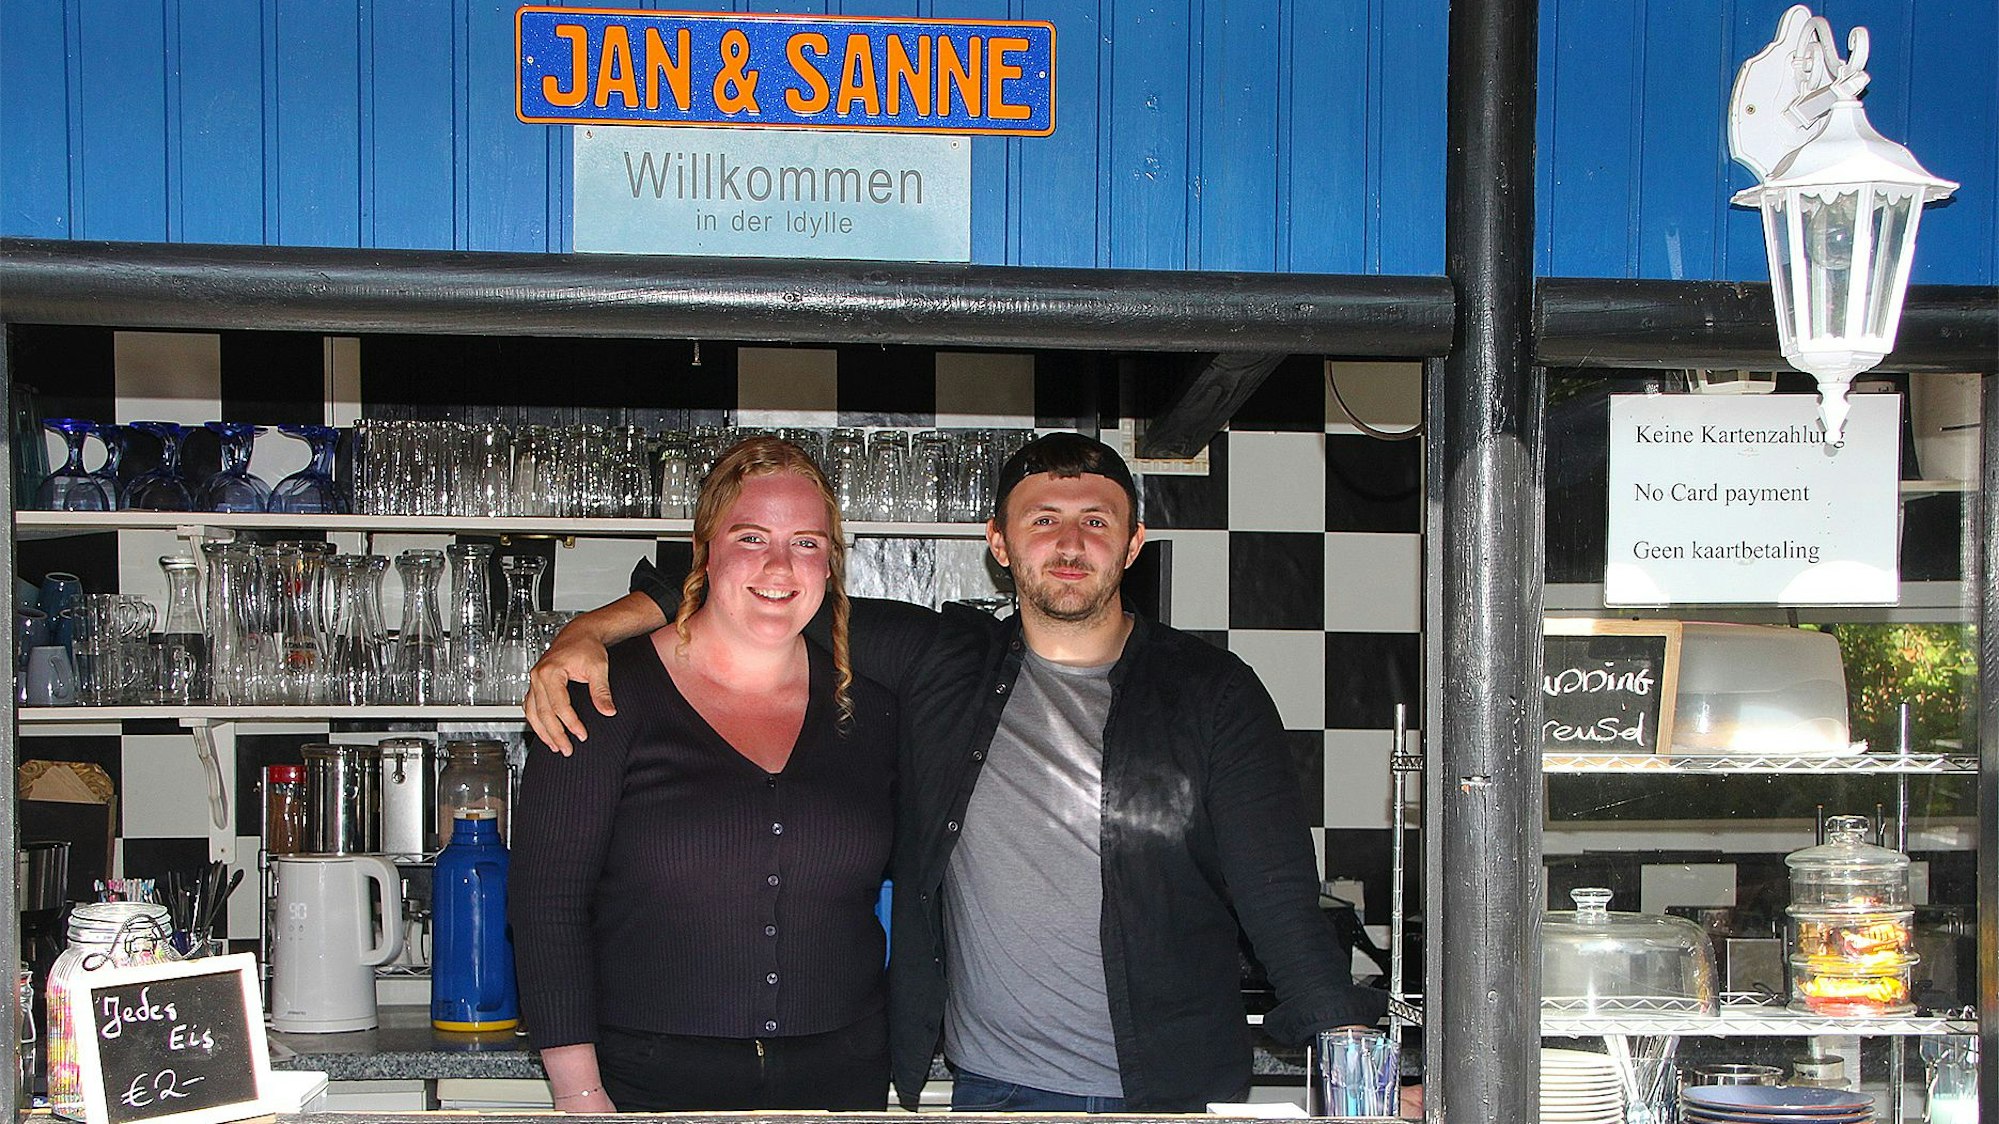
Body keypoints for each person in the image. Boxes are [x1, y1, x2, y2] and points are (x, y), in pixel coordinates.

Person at [526, 432, 1396, 1113]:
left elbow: (1279, 899)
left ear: (1134, 543)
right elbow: (750, 581)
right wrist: (586, 633)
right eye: (1041, 520)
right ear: (998, 544)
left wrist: (1361, 1071)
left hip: (1168, 1089)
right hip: (994, 1091)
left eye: (1095, 521)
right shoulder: (942, 661)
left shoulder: (1211, 693)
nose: (1068, 542)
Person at [508, 437, 897, 1113]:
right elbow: (546, 904)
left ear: (831, 563)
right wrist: (578, 1092)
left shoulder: (872, 709)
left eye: (806, 543)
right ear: (704, 550)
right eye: (751, 537)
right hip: (648, 1083)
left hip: (842, 1078)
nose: (780, 566)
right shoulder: (602, 697)